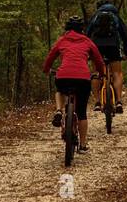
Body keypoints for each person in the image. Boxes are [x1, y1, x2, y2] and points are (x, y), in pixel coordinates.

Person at [43, 15, 106, 152]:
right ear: (82, 29)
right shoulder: (87, 41)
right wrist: (101, 74)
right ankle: (83, 145)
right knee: (82, 113)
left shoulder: (62, 41)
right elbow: (98, 60)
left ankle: (59, 110)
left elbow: (50, 57)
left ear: (67, 29)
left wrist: (47, 70)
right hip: (83, 78)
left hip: (63, 76)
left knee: (60, 90)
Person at [87, 0, 127, 115]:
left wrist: (86, 52)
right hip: (113, 46)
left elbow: (87, 34)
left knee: (96, 73)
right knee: (117, 73)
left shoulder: (95, 16)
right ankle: (118, 101)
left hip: (97, 47)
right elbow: (124, 34)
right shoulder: (115, 16)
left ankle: (97, 102)